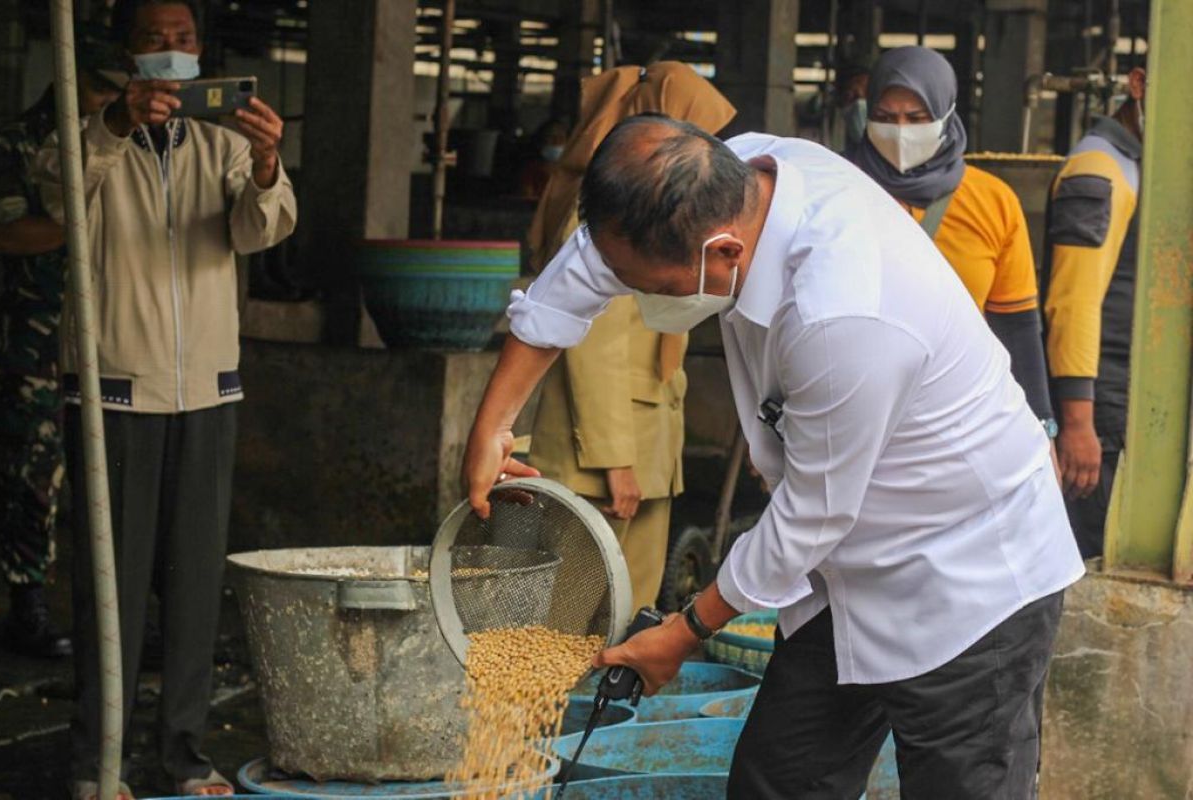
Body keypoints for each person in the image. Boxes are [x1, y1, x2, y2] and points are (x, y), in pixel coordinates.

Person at [462, 115, 1084, 798]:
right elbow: (589, 263)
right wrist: (494, 424)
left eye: (659, 289)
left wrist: (683, 631)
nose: (645, 301)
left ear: (723, 253)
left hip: (966, 577)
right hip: (843, 572)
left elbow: (810, 517)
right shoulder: (736, 174)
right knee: (777, 782)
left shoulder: (845, 311)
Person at [35, 1, 296, 797]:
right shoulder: (87, 139)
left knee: (190, 592)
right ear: (128, 56)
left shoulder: (219, 143)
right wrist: (114, 123)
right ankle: (98, 763)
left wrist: (264, 164)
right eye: (158, 40)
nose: (174, 53)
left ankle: (183, 756)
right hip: (114, 394)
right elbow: (56, 194)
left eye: (184, 40)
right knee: (107, 592)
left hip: (208, 392)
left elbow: (262, 231)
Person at [525, 62, 735, 614]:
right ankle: (553, 706)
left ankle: (607, 705)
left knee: (628, 611)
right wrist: (617, 461)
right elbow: (594, 342)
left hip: (647, 440)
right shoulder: (613, 208)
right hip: (601, 453)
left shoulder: (664, 203)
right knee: (571, 617)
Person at [0, 36, 122, 659]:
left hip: (107, 336)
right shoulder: (17, 141)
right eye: (100, 87)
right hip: (36, 336)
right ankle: (28, 605)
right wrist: (86, 228)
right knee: (32, 471)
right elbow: (10, 233)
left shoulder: (123, 141)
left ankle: (112, 614)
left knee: (104, 473)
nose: (109, 101)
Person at [855, 47, 1055, 439]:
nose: (899, 131)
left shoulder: (993, 201)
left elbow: (1015, 325)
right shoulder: (832, 186)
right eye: (884, 117)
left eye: (916, 118)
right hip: (855, 412)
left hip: (961, 418)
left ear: (946, 115)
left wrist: (1042, 426)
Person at [1040, 67, 1147, 559]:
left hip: (1123, 395)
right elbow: (1074, 299)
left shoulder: (1140, 164)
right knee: (1087, 550)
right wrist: (1078, 423)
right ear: (1139, 85)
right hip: (1099, 404)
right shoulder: (1100, 169)